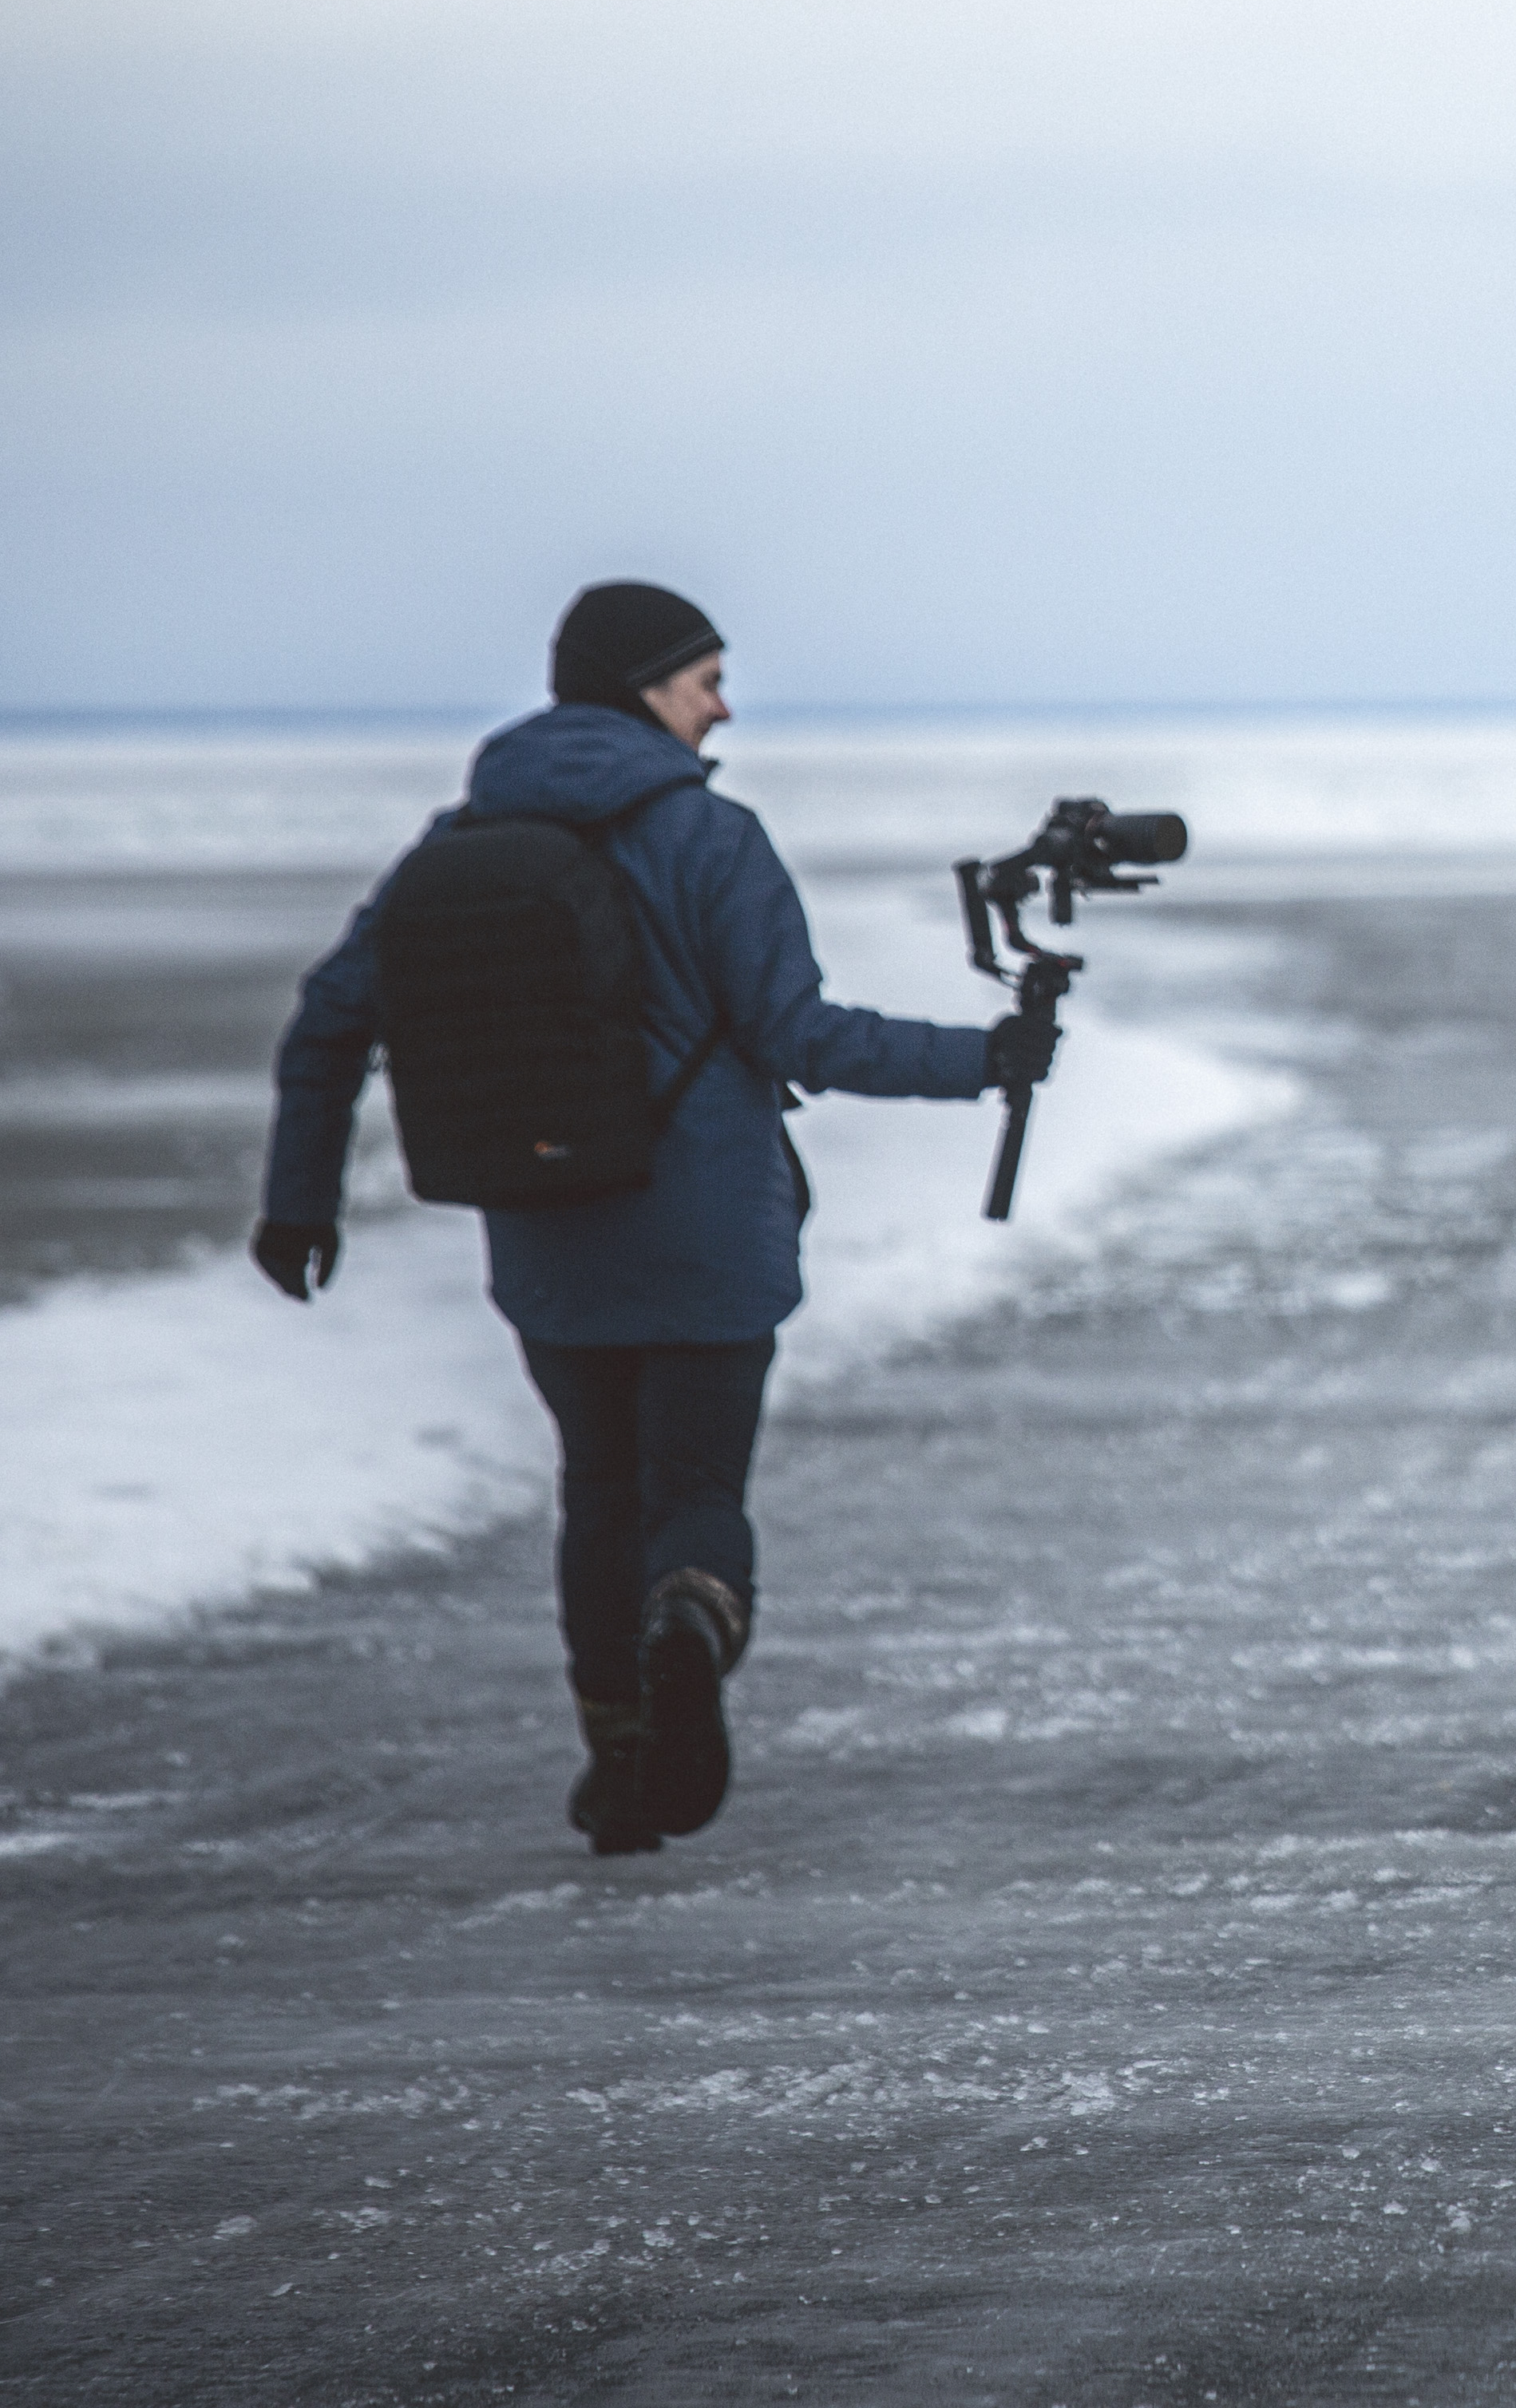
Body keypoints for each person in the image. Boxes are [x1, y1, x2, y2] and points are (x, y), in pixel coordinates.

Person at [250, 582, 1053, 1859]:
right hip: (709, 1231)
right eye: (704, 681)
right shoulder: (710, 837)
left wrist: (298, 1203)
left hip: (547, 1235)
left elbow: (330, 1020)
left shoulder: (457, 839)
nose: (722, 707)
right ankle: (693, 1617)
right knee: (692, 1486)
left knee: (598, 1487)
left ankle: (621, 1759)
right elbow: (802, 1035)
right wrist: (987, 1060)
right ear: (641, 688)